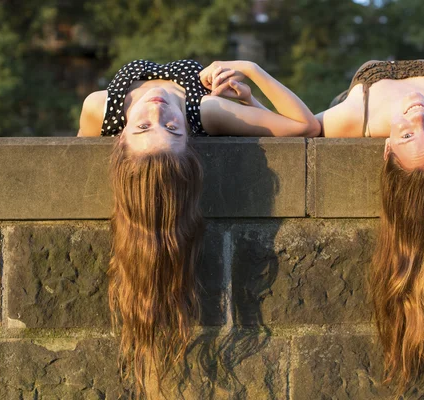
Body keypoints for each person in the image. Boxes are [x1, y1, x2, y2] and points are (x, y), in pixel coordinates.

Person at [78, 58, 320, 397]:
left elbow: (307, 128)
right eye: (173, 130)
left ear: (120, 138)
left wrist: (250, 98)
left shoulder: (101, 107)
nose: (158, 113)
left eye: (144, 128)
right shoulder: (206, 111)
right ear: (189, 138)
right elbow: (305, 127)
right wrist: (250, 69)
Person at [317, 60, 424, 396]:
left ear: (387, 148)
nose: (420, 116)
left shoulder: (354, 119)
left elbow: (296, 126)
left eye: (407, 134)